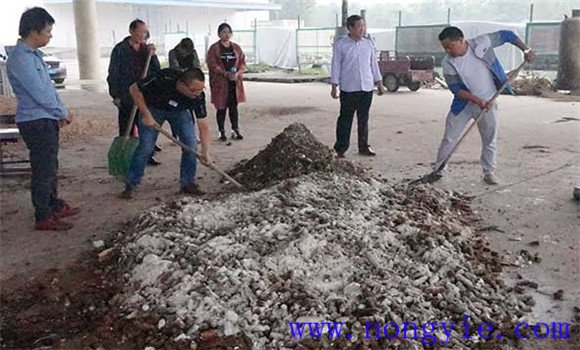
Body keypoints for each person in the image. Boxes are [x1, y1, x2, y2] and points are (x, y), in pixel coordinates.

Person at [7, 7, 80, 231]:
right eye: (47, 31)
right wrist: (62, 113)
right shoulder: (21, 59)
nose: (50, 35)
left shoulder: (33, 56)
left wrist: (59, 111)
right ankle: (43, 215)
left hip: (44, 118)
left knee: (50, 166)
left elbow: (49, 90)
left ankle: (53, 205)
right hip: (36, 121)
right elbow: (40, 93)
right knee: (43, 169)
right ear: (33, 32)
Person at [433, 26, 535, 185]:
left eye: (449, 46)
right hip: (464, 104)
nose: (447, 50)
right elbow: (456, 90)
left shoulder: (482, 43)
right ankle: (438, 170)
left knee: (489, 138)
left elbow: (507, 35)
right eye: (444, 47)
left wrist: (526, 49)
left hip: (489, 100)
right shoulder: (448, 63)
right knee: (449, 137)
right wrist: (477, 101)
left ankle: (489, 172)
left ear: (461, 40)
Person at [118, 67, 211, 199]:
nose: (197, 93)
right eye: (193, 90)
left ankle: (187, 183)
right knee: (146, 147)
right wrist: (146, 114)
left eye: (201, 89)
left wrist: (205, 152)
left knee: (191, 144)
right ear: (182, 84)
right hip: (153, 108)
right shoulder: (164, 77)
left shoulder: (198, 96)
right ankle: (131, 184)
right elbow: (134, 88)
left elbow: (204, 125)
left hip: (180, 111)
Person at [107, 19, 162, 165]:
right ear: (131, 31)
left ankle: (147, 155)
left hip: (144, 95)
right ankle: (126, 156)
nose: (143, 35)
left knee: (146, 126)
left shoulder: (146, 50)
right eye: (140, 31)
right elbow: (113, 73)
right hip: (126, 95)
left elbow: (156, 71)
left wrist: (153, 55)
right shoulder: (120, 49)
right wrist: (115, 95)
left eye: (145, 32)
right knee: (126, 127)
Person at [330, 15, 385, 158]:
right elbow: (336, 66)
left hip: (366, 88)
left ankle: (364, 146)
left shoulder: (368, 44)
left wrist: (379, 82)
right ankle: (340, 147)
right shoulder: (340, 45)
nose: (362, 29)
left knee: (363, 119)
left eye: (363, 26)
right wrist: (334, 86)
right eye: (359, 26)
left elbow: (374, 64)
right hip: (348, 88)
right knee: (345, 119)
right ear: (350, 28)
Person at [207, 23, 246, 141]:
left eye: (229, 32)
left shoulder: (236, 48)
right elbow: (211, 64)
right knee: (221, 107)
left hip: (234, 83)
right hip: (220, 83)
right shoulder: (214, 48)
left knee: (233, 107)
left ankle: (235, 130)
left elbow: (242, 63)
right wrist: (225, 74)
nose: (226, 34)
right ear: (219, 34)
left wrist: (237, 74)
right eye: (224, 32)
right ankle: (221, 132)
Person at [168, 38, 207, 134]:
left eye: (188, 50)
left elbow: (197, 66)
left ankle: (191, 132)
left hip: (192, 81)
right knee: (176, 110)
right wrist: (186, 75)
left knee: (192, 108)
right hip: (179, 83)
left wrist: (193, 77)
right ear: (180, 46)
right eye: (184, 50)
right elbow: (174, 67)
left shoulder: (193, 52)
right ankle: (175, 133)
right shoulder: (173, 52)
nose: (185, 53)